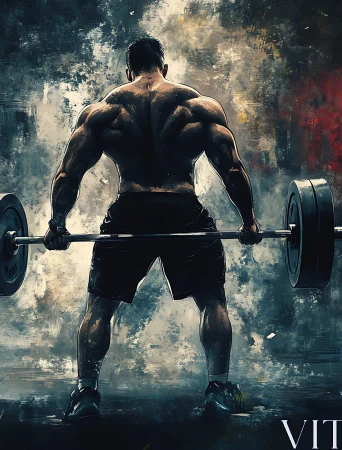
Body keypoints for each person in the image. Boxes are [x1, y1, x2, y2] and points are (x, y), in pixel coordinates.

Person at [43, 37, 262, 422]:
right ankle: (218, 388)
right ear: (165, 65)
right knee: (212, 301)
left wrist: (57, 225)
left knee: (99, 308)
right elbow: (230, 170)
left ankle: (86, 394)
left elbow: (68, 174)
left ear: (129, 70)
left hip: (130, 211)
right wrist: (248, 221)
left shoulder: (105, 111)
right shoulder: (198, 106)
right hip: (182, 210)